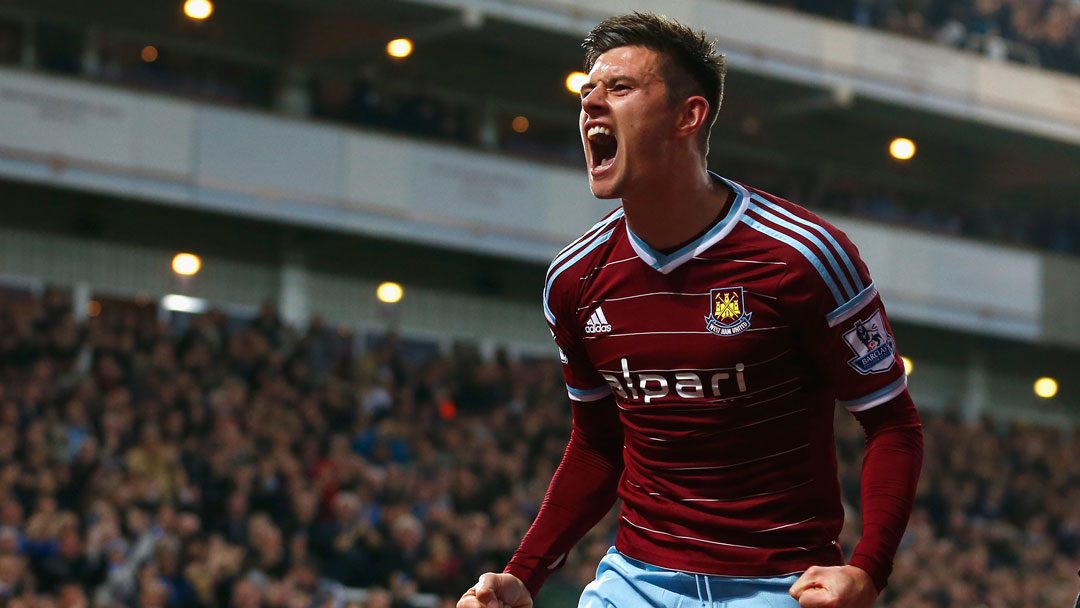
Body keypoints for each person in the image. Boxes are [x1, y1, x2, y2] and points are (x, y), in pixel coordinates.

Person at [458, 12, 922, 608]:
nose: (591, 103)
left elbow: (893, 423)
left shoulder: (803, 256)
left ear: (689, 115)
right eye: (586, 92)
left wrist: (868, 571)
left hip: (778, 585)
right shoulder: (573, 279)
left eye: (619, 88)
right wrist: (523, 574)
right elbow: (599, 443)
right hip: (633, 581)